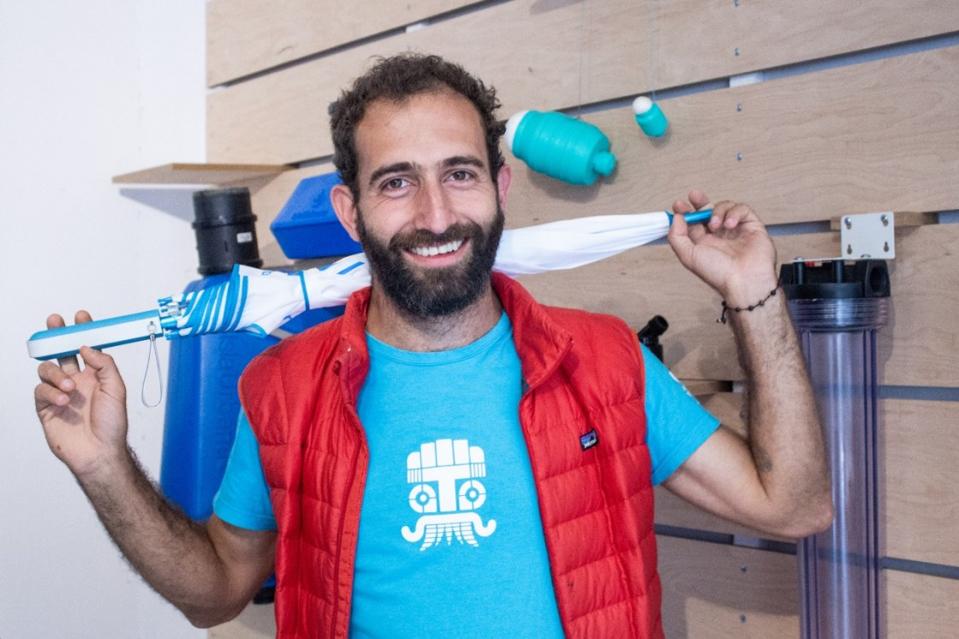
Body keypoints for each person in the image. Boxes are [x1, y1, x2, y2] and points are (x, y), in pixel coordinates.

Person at [34, 54, 832, 638]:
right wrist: (105, 466)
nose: (436, 212)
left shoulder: (604, 361)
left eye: (459, 173)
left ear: (499, 188)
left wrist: (752, 296)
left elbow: (792, 504)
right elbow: (215, 592)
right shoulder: (281, 388)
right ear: (348, 212)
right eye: (396, 181)